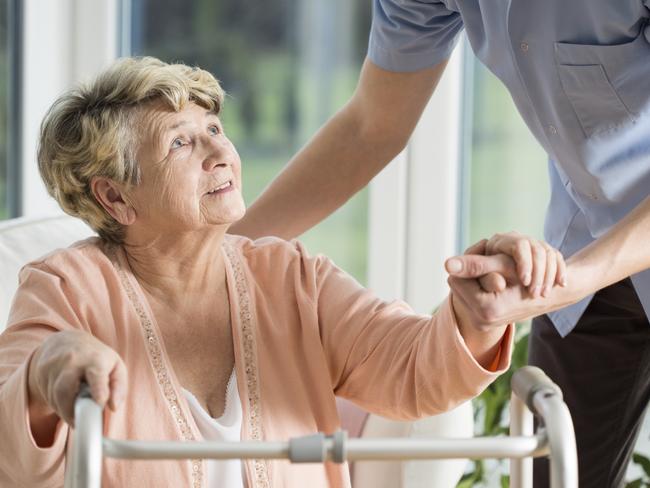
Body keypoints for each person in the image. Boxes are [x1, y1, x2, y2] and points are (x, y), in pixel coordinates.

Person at [0, 56, 566, 487]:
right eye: (180, 143)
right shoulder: (64, 288)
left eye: (214, 131)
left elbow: (412, 368)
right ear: (116, 198)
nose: (219, 154)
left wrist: (475, 316)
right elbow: (11, 438)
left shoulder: (288, 275)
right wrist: (43, 376)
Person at [231, 2, 650, 486]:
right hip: (586, 242)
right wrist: (212, 255)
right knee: (554, 471)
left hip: (584, 269)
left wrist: (569, 281)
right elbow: (372, 125)